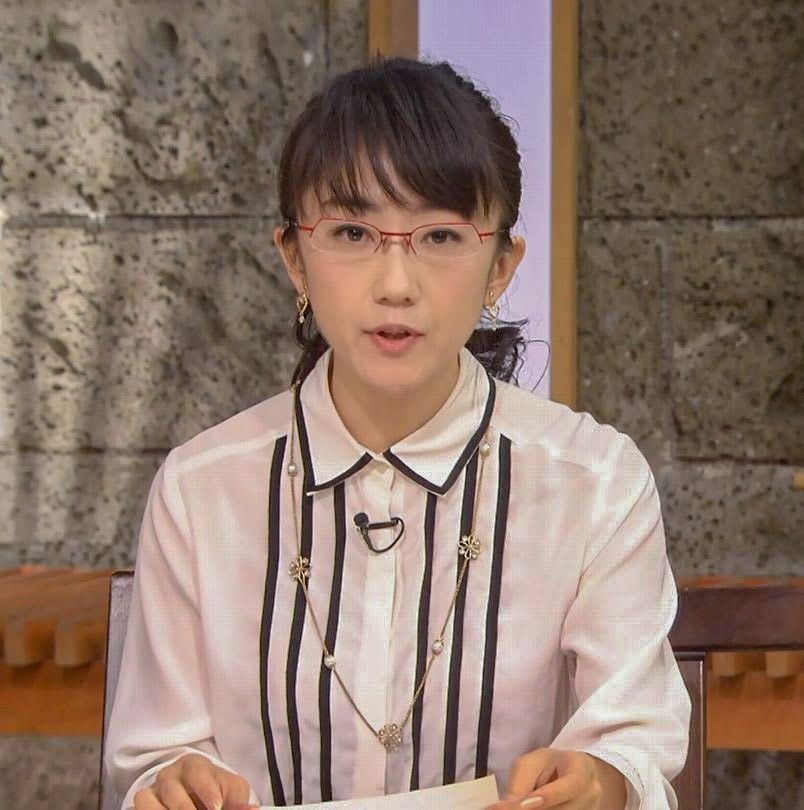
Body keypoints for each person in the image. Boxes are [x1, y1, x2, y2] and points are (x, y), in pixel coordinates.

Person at [104, 56, 691, 810]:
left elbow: (635, 747)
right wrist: (168, 781)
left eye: (440, 236)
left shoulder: (595, 483)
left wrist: (601, 783)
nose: (395, 285)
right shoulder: (201, 490)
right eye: (352, 231)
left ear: (501, 266)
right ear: (294, 257)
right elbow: (154, 755)